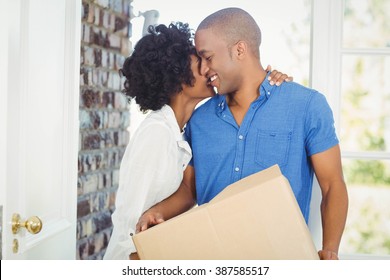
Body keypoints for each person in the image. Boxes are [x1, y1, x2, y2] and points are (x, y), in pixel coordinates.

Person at [136, 8, 348, 260]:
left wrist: (330, 249)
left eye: (208, 57)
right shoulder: (200, 119)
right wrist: (157, 211)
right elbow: (189, 189)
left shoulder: (306, 105)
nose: (203, 69)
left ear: (239, 50)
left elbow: (333, 184)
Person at [103, 21, 290, 260]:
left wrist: (271, 80)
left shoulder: (184, 130)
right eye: (199, 62)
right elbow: (129, 225)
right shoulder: (156, 134)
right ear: (177, 75)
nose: (208, 69)